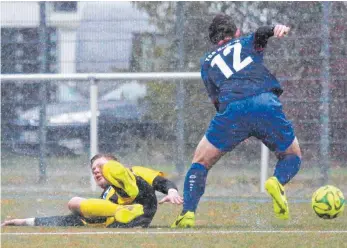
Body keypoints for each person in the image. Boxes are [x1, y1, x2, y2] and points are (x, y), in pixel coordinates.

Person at [172, 13, 302, 228]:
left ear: (214, 40)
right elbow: (261, 33)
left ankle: (187, 213)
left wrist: (235, 127)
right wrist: (275, 28)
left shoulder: (207, 63)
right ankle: (277, 181)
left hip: (232, 109)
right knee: (292, 156)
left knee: (200, 163)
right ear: (237, 32)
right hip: (264, 102)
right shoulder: (246, 41)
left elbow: (216, 100)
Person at [2, 153, 183, 228]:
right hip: (126, 221)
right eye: (93, 170)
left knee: (132, 180)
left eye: (100, 166)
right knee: (73, 203)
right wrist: (25, 221)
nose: (96, 170)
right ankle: (122, 210)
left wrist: (172, 192)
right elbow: (68, 221)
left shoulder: (135, 172)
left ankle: (125, 190)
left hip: (142, 203)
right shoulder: (104, 197)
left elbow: (162, 182)